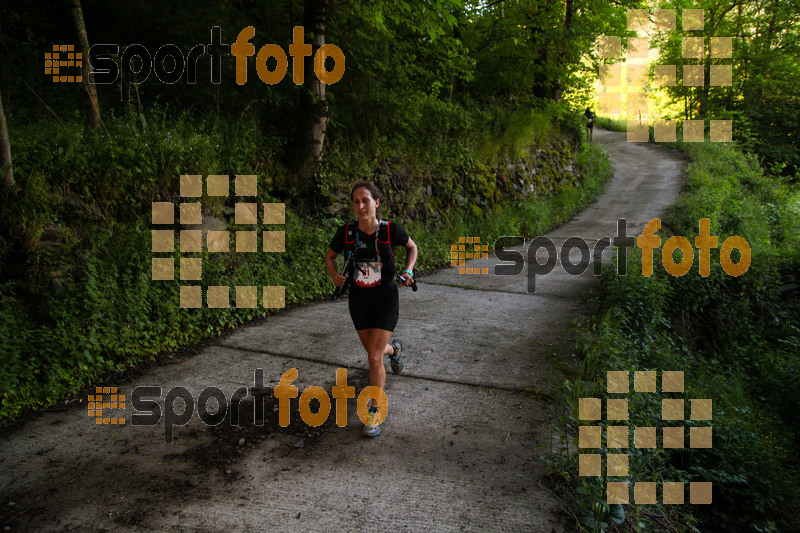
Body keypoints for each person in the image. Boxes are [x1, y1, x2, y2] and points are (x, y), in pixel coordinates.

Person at [325, 181, 418, 437]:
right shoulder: (346, 233)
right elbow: (329, 256)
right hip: (358, 300)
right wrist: (334, 275)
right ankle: (395, 349)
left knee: (374, 358)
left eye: (366, 200)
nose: (361, 206)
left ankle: (375, 412)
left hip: (385, 297)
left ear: (376, 202)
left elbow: (412, 246)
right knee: (374, 353)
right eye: (356, 201)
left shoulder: (390, 230)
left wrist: (408, 271)